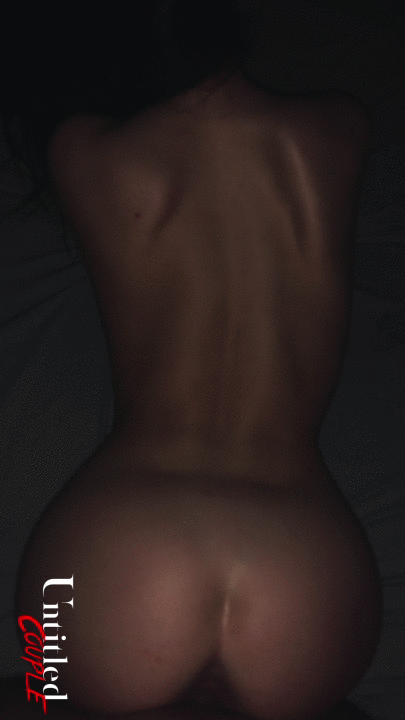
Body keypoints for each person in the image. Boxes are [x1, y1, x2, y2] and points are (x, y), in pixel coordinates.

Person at [6, 3, 382, 719]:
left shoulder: (82, 149)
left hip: (110, 546)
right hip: (311, 567)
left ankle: (37, 698)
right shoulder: (339, 126)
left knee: (39, 697)